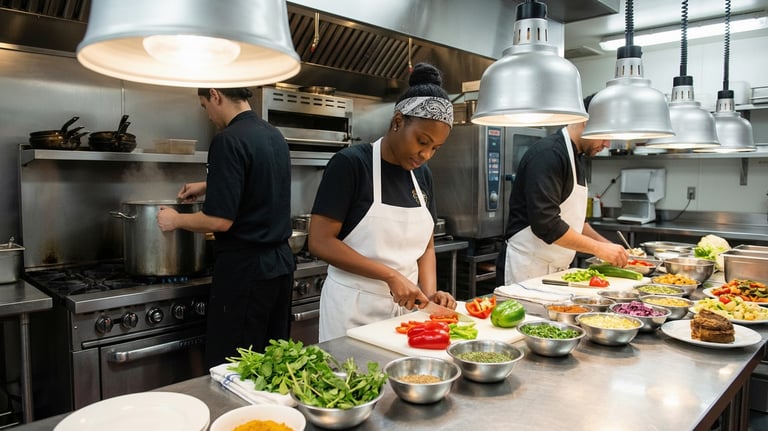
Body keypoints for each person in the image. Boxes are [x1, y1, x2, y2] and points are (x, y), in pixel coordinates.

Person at [308, 63, 457, 342]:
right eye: (422, 141)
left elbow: (426, 245)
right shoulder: (352, 163)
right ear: (398, 121)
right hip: (353, 310)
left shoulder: (422, 175)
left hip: (406, 312)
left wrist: (428, 295)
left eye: (435, 148)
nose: (426, 155)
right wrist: (390, 276)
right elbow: (319, 241)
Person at [157, 87, 295, 367]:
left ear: (215, 95)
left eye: (204, 105)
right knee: (271, 364)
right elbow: (258, 179)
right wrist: (210, 185)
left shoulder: (227, 140)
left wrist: (176, 220)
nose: (207, 114)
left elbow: (219, 221)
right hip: (280, 268)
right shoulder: (273, 134)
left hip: (246, 273)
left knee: (234, 367)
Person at [496, 94, 628, 285]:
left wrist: (607, 246)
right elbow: (546, 224)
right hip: (527, 268)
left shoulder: (576, 157)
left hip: (555, 271)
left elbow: (575, 222)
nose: (607, 144)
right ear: (584, 121)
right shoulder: (548, 155)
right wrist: (598, 249)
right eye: (604, 134)